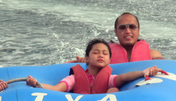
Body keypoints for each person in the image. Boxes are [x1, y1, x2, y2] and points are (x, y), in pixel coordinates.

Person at [27, 39, 163, 94]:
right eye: (96, 52)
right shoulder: (75, 78)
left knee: (114, 89)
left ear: (109, 60)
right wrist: (36, 84)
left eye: (105, 53)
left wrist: (143, 72)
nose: (100, 55)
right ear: (87, 58)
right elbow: (57, 89)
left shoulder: (109, 78)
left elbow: (124, 77)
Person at [71, 12, 164, 64]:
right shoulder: (104, 55)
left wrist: (163, 62)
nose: (128, 31)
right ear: (115, 32)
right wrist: (83, 62)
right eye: (122, 27)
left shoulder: (152, 54)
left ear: (138, 31)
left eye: (132, 27)